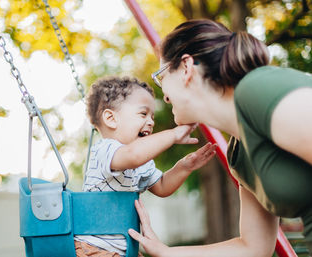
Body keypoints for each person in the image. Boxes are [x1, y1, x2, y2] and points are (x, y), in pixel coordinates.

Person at [127, 19, 312, 257]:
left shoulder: (257, 89)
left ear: (186, 67)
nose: (165, 97)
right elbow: (254, 247)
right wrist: (166, 252)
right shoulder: (239, 154)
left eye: (161, 78)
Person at [74, 76, 217, 257]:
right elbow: (133, 155)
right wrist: (172, 135)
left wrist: (183, 167)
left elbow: (162, 186)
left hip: (125, 251)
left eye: (152, 116)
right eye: (143, 114)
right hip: (91, 248)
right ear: (111, 118)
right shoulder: (105, 150)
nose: (151, 122)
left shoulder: (141, 161)